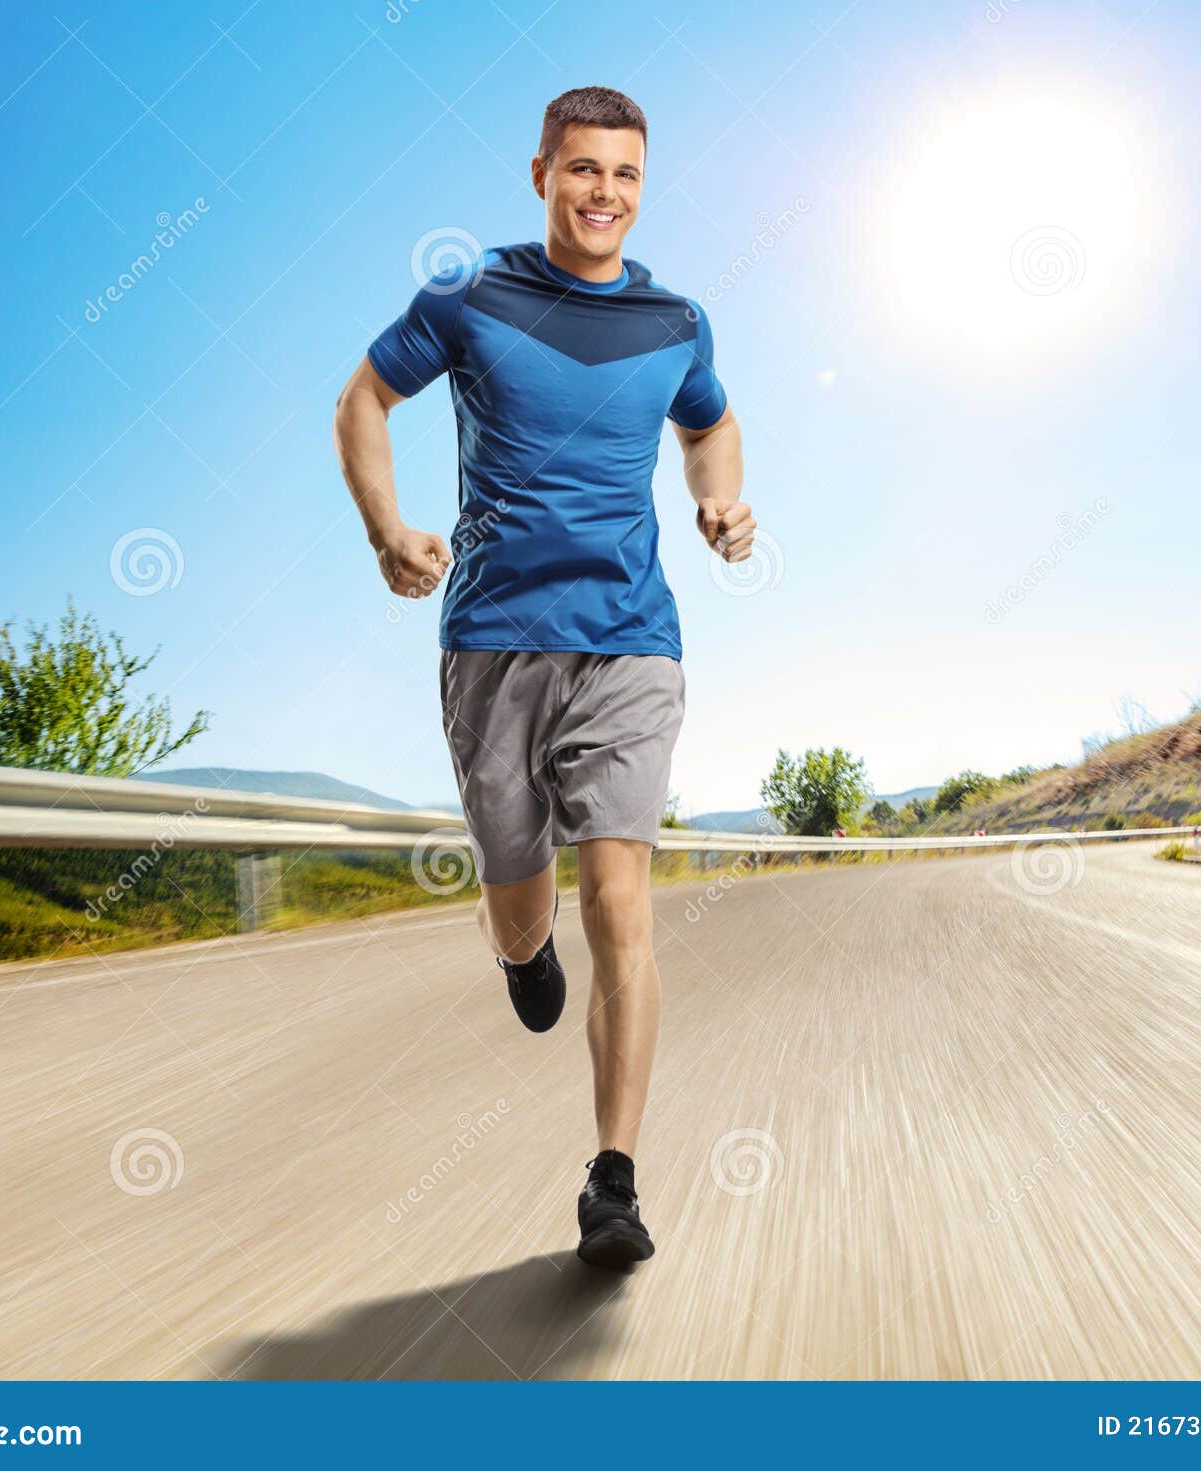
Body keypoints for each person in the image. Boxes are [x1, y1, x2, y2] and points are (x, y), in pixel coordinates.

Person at [333, 85, 753, 1268]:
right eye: (581, 171)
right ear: (540, 175)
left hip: (629, 636)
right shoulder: (474, 294)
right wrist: (387, 529)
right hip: (493, 641)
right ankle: (521, 948)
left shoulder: (676, 320)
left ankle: (612, 1181)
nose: (602, 194)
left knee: (621, 897)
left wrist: (715, 498)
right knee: (524, 897)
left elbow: (709, 424)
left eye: (622, 174)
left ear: (640, 184)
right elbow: (362, 398)